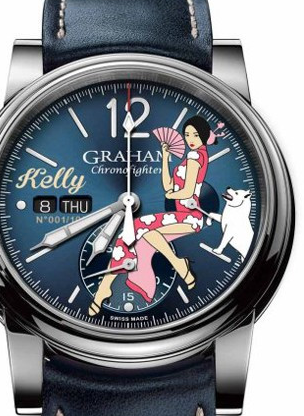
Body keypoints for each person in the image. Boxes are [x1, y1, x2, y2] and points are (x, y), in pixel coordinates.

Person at [88, 115, 213, 316]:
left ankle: (105, 288)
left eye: (195, 135)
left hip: (192, 216)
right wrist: (164, 158)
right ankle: (106, 287)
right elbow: (168, 185)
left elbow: (187, 191)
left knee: (135, 232)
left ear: (204, 136)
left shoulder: (194, 157)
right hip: (179, 215)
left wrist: (172, 195)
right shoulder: (192, 157)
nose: (190, 139)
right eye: (187, 134)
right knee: (136, 233)